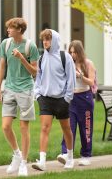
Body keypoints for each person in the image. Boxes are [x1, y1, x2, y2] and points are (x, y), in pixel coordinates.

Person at [0, 17, 40, 177]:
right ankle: (16, 154)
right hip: (9, 88)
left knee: (23, 127)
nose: (8, 30)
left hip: (26, 89)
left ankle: (23, 162)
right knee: (6, 126)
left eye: (11, 28)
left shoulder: (30, 46)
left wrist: (21, 58)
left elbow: (34, 72)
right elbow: (1, 67)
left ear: (19, 30)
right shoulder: (5, 44)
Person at [31, 29, 76, 172]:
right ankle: (42, 161)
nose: (45, 42)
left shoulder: (65, 57)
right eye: (43, 39)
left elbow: (71, 79)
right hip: (45, 99)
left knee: (66, 128)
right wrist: (37, 94)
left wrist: (67, 98)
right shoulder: (41, 58)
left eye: (48, 39)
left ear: (54, 40)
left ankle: (70, 157)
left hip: (62, 99)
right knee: (44, 128)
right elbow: (38, 78)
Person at [57, 40, 96, 167]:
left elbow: (91, 82)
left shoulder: (88, 63)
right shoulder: (68, 64)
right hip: (71, 98)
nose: (73, 55)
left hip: (85, 98)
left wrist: (80, 76)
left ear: (80, 52)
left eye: (75, 52)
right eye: (71, 52)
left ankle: (86, 155)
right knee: (69, 127)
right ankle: (66, 153)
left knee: (86, 129)